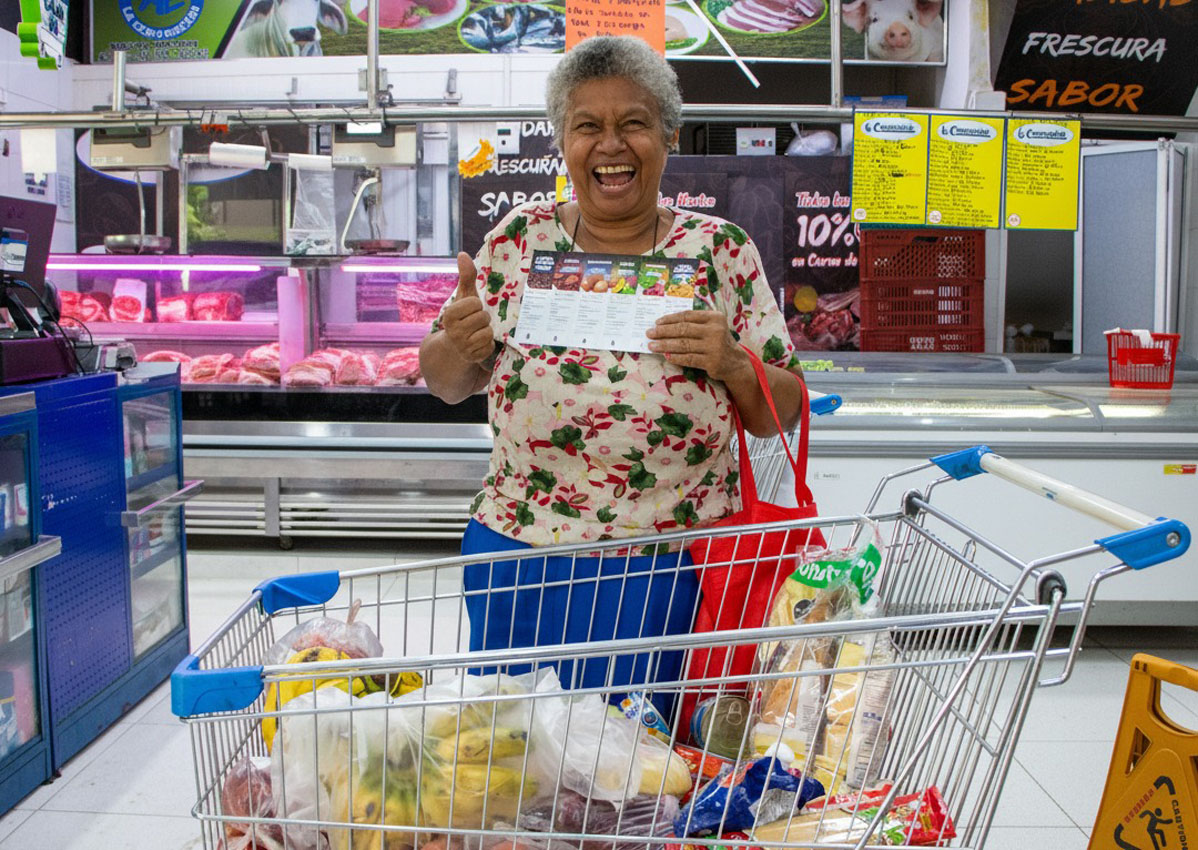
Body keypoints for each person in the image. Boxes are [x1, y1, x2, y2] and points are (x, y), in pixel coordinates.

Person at [419, 35, 807, 703]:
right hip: (524, 557)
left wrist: (733, 363)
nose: (611, 144)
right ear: (562, 143)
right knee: (524, 767)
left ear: (669, 136)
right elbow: (446, 383)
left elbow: (786, 408)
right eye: (587, 126)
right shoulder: (520, 240)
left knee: (649, 775)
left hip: (676, 566)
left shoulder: (720, 251)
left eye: (633, 123)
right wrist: (460, 345)